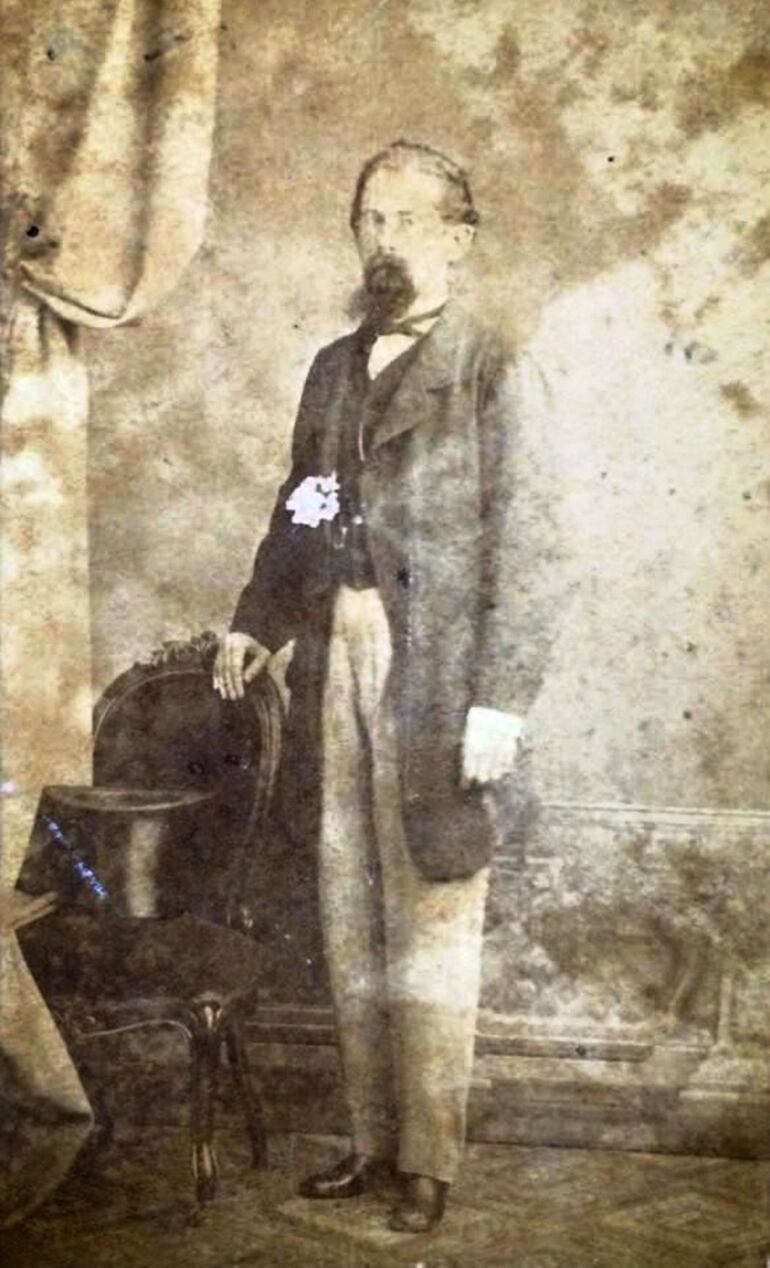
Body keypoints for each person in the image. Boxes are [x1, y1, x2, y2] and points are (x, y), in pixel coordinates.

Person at [214, 139, 560, 1233]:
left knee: (430, 917)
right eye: (369, 218)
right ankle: (370, 1143)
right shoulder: (333, 369)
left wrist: (499, 702)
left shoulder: (492, 367)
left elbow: (532, 548)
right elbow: (303, 508)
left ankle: (427, 1161)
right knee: (348, 902)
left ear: (459, 238)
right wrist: (257, 622)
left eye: (407, 219)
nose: (383, 238)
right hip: (336, 649)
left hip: (441, 674)